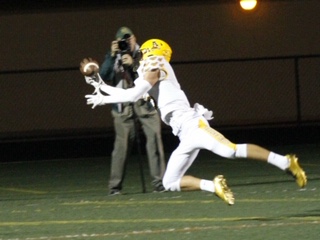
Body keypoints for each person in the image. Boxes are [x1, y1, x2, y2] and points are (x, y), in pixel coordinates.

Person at [83, 39, 307, 205]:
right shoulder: (152, 71)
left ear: (152, 53)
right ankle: (214, 186)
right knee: (170, 182)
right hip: (184, 134)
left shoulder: (156, 64)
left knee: (231, 151)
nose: (141, 56)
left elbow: (132, 95)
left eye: (144, 53)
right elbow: (137, 92)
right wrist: (100, 84)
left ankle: (285, 162)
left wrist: (103, 93)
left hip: (193, 125)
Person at [94, 28, 166, 195]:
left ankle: (160, 182)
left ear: (134, 38)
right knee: (122, 146)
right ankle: (115, 187)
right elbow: (103, 77)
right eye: (122, 40)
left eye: (128, 39)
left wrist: (133, 65)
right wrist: (112, 57)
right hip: (123, 106)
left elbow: (150, 75)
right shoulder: (113, 56)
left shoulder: (145, 53)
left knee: (154, 141)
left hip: (146, 103)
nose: (126, 42)